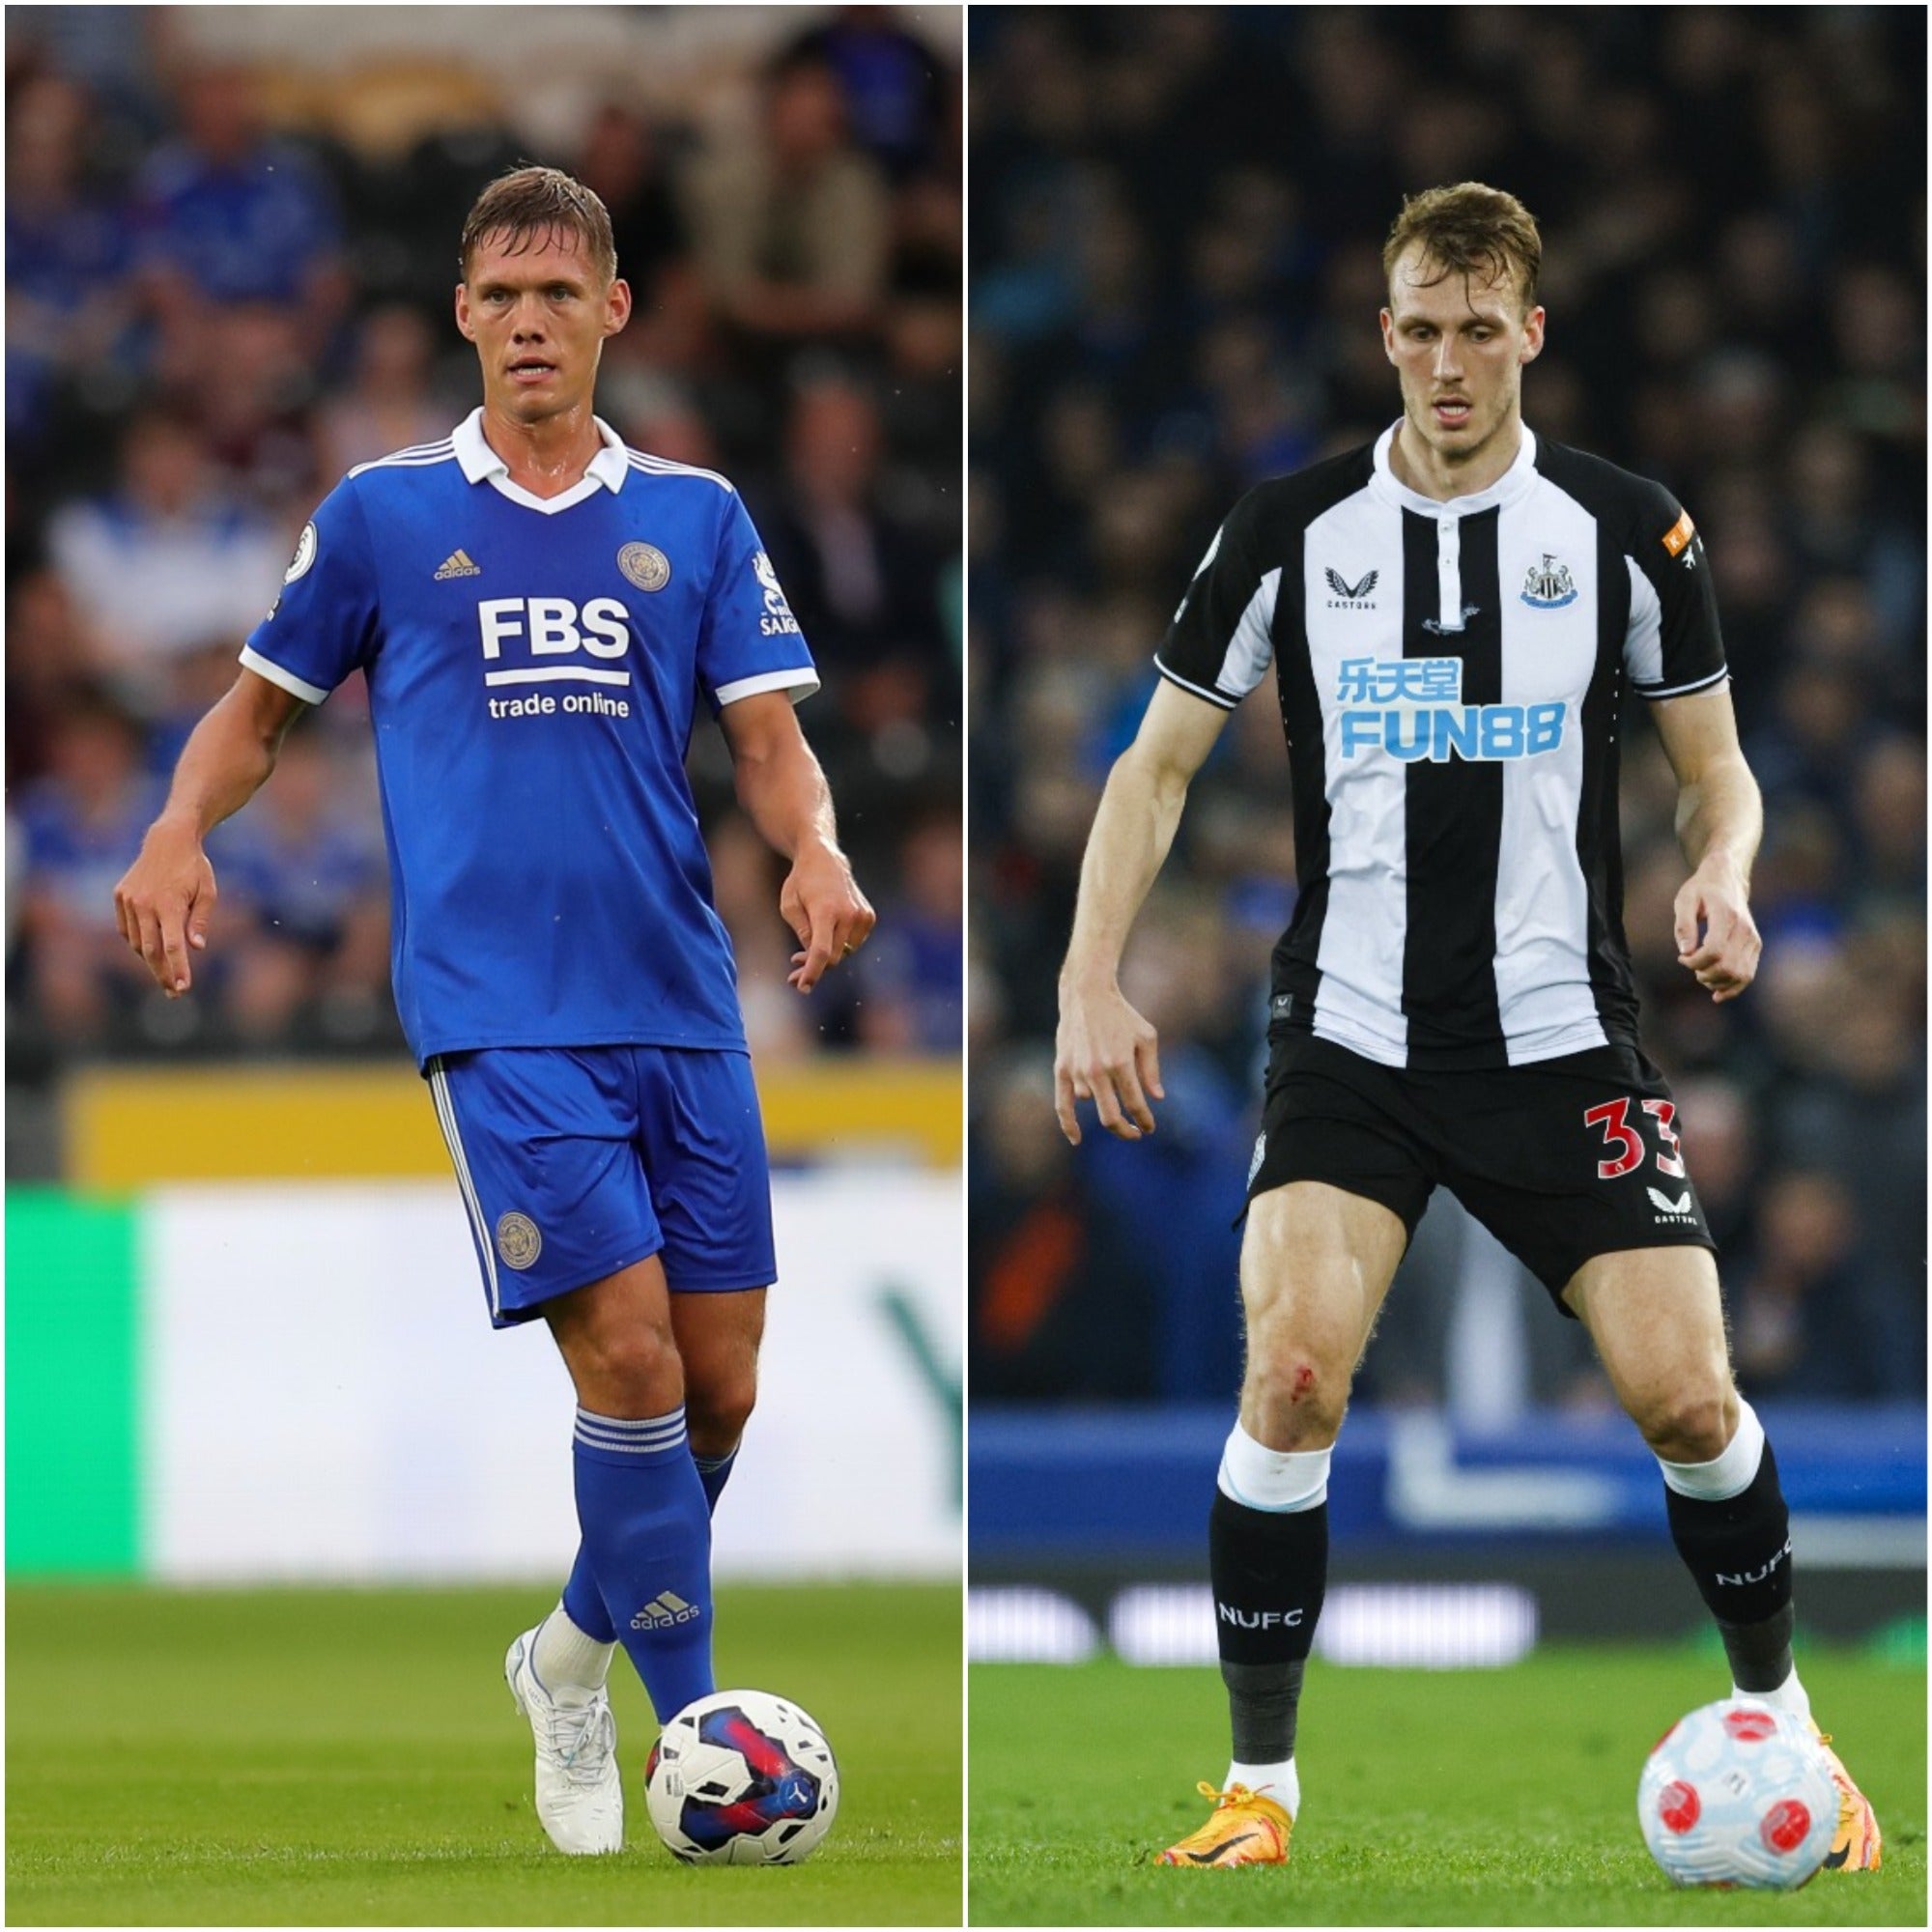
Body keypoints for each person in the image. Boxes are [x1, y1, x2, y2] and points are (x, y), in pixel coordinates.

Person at [1052, 182, 1880, 1873]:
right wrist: (1087, 976)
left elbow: (1720, 773)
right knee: (1289, 1376)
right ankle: (1258, 1795)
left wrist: (1722, 875)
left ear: (1531, 335)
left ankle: (1792, 1734)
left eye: (1478, 332)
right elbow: (1153, 764)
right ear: (1384, 334)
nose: (1446, 363)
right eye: (1419, 331)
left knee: (1688, 1399)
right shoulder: (1289, 527)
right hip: (1351, 1035)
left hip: (1564, 1035)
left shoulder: (1627, 528)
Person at [114, 166, 875, 1857]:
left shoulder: (697, 515)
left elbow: (766, 744)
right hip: (498, 1009)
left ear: (615, 311)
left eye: (561, 295)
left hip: (677, 998)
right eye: (500, 297)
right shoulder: (386, 512)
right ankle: (701, 1745)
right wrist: (175, 830)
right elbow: (256, 713)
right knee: (625, 1355)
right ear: (465, 317)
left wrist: (816, 851)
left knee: (722, 1386)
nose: (530, 324)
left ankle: (566, 1655)